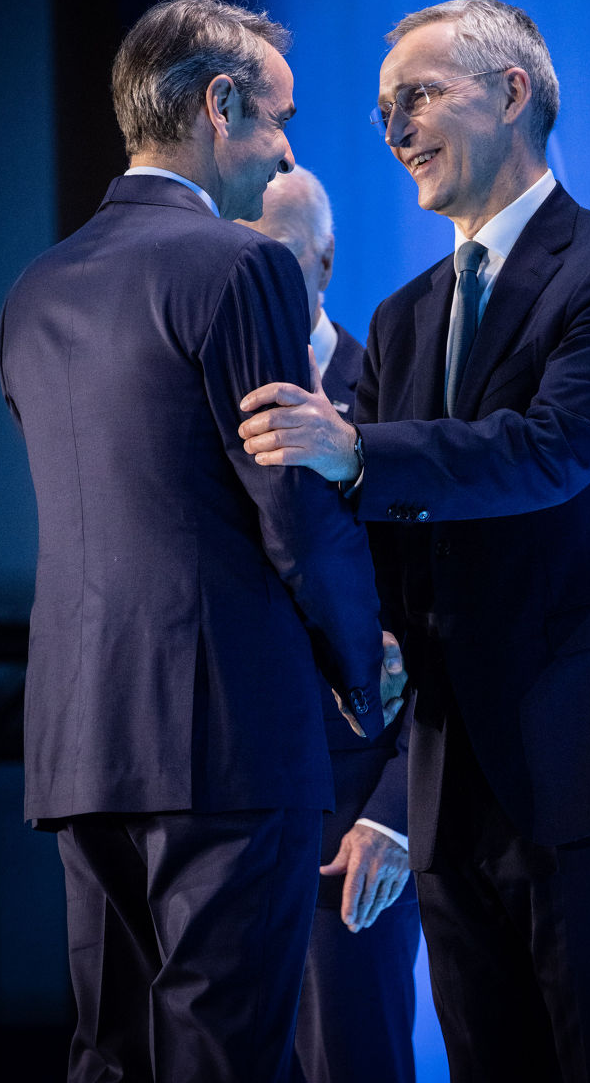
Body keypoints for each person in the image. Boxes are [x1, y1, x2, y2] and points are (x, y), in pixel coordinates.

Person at [237, 0, 590, 1082]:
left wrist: (355, 449)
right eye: (381, 113)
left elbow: (544, 452)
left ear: (511, 93)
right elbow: (405, 550)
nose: (396, 128)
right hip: (450, 794)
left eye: (416, 96)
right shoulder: (407, 315)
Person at [0, 0, 406, 1083]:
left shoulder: (32, 291)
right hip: (227, 738)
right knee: (223, 1056)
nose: (283, 152)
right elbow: (290, 511)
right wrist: (360, 662)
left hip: (79, 742)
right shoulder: (241, 267)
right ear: (217, 105)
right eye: (277, 119)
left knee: (113, 1054)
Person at [242, 166, 420, 1083]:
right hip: (232, 812)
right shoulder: (198, 398)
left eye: (271, 260)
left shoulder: (395, 392)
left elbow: (438, 619)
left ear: (324, 261)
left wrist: (393, 815)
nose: (249, 281)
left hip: (356, 819)